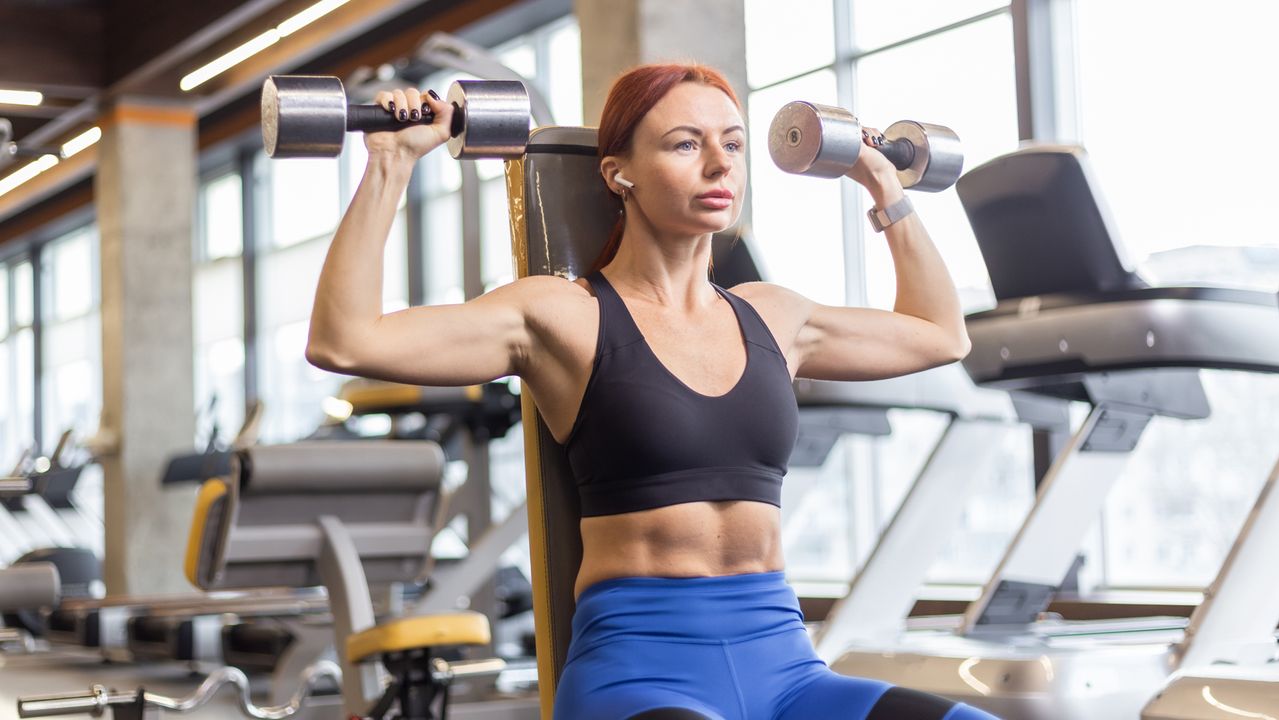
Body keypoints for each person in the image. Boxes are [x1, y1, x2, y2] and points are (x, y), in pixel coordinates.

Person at [306, 63, 996, 720]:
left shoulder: (773, 317)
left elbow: (939, 334)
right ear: (620, 173)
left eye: (732, 143)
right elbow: (345, 340)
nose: (721, 164)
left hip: (787, 674)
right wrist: (391, 163)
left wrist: (882, 182)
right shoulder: (564, 316)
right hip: (640, 677)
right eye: (685, 144)